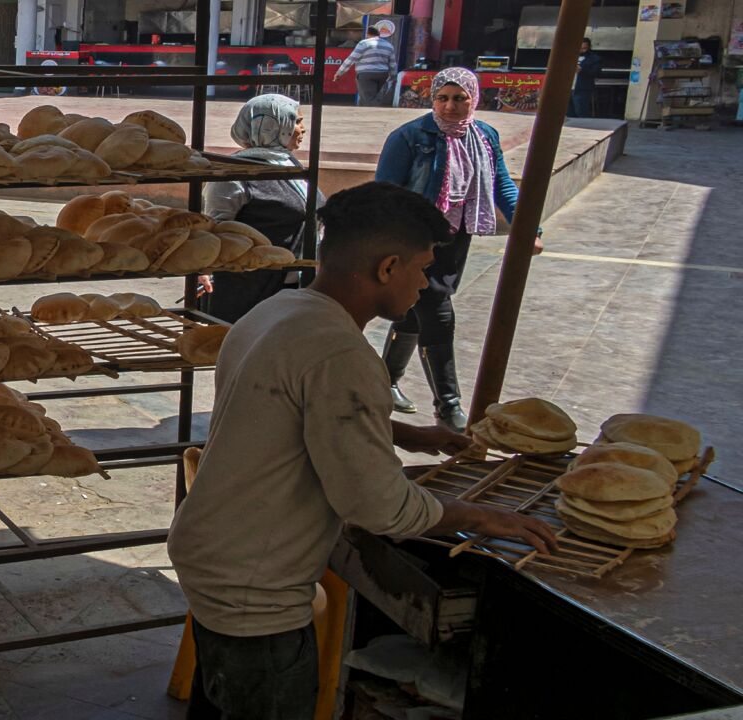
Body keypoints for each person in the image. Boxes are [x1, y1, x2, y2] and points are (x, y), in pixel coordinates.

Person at [167, 182, 557, 720]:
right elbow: (379, 508)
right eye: (421, 268)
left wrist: (405, 434)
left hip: (210, 547)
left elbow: (285, 410)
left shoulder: (278, 310)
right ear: (387, 267)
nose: (426, 283)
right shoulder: (341, 353)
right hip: (256, 585)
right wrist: (485, 518)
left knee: (223, 699)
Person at [375, 66, 541, 432]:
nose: (450, 106)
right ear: (432, 99)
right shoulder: (409, 137)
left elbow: (502, 185)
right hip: (416, 240)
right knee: (438, 312)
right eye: (442, 98)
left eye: (459, 98)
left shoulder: (484, 136)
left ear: (473, 99)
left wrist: (528, 228)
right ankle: (448, 406)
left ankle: (383, 384)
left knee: (413, 313)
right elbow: (384, 194)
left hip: (456, 235)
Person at [197, 94, 325, 323]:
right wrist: (203, 270)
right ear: (270, 125)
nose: (303, 129)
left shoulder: (289, 165)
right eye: (296, 121)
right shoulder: (235, 174)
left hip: (295, 286)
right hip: (249, 292)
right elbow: (213, 228)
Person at [333, 26, 397, 107]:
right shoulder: (388, 45)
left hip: (366, 74)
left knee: (368, 99)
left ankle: (372, 116)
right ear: (378, 34)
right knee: (373, 98)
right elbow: (393, 64)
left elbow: (351, 59)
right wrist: (393, 77)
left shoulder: (364, 43)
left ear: (368, 34)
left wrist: (339, 73)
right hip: (383, 75)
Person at [569, 38, 602, 118]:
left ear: (589, 47)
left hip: (582, 89)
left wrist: (582, 70)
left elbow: (596, 72)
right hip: (568, 89)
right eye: (580, 48)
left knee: (581, 112)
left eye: (584, 48)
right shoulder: (570, 56)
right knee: (569, 113)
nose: (582, 50)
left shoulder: (594, 58)